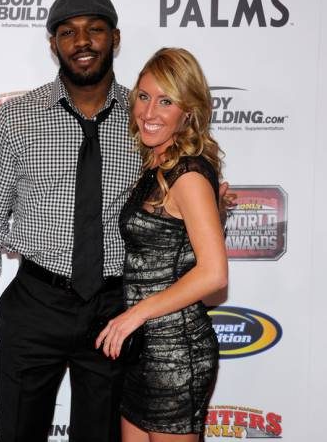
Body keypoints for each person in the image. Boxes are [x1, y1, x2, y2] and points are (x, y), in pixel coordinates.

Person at [0, 0, 141, 442]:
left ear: (115, 38)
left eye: (95, 30)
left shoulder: (145, 119)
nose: (82, 41)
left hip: (114, 309)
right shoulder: (17, 117)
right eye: (68, 32)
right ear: (53, 44)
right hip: (36, 303)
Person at [95, 48, 228, 442]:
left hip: (176, 352)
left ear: (188, 111)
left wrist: (134, 315)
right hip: (145, 350)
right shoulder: (158, 163)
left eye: (166, 101)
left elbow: (214, 274)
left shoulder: (187, 175)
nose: (149, 112)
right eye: (143, 96)